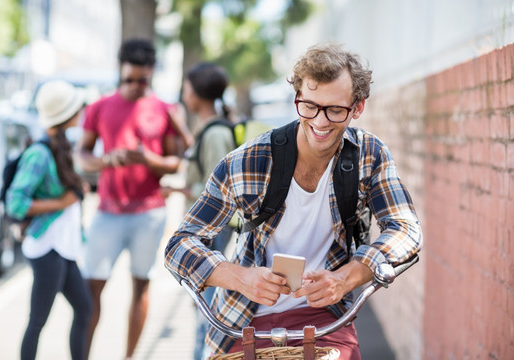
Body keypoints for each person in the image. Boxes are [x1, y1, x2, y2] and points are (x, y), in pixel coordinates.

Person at [165, 42, 423, 359]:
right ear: (297, 98)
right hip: (245, 319)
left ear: (358, 108)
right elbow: (179, 245)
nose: (320, 121)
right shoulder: (248, 160)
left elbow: (406, 230)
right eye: (310, 106)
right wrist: (241, 278)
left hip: (328, 317)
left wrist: (344, 279)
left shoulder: (370, 154)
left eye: (335, 109)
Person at [77, 38, 193, 359]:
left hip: (149, 214)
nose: (136, 86)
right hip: (107, 213)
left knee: (141, 287)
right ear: (120, 71)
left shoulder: (163, 109)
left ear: (151, 73)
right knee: (91, 292)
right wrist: (106, 160)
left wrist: (148, 160)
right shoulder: (99, 106)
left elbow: (175, 161)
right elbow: (82, 155)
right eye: (129, 79)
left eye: (142, 80)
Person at [6, 80, 92, 360]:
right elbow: (15, 202)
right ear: (67, 113)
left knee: (84, 309)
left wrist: (76, 192)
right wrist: (62, 202)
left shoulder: (62, 145)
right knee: (38, 322)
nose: (82, 109)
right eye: (77, 106)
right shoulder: (39, 152)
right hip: (47, 249)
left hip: (63, 247)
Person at [161, 62, 235, 360]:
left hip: (212, 234)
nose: (183, 93)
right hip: (208, 234)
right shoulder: (210, 129)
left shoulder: (215, 134)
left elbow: (218, 191)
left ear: (196, 94)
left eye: (186, 87)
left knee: (207, 308)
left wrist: (178, 190)